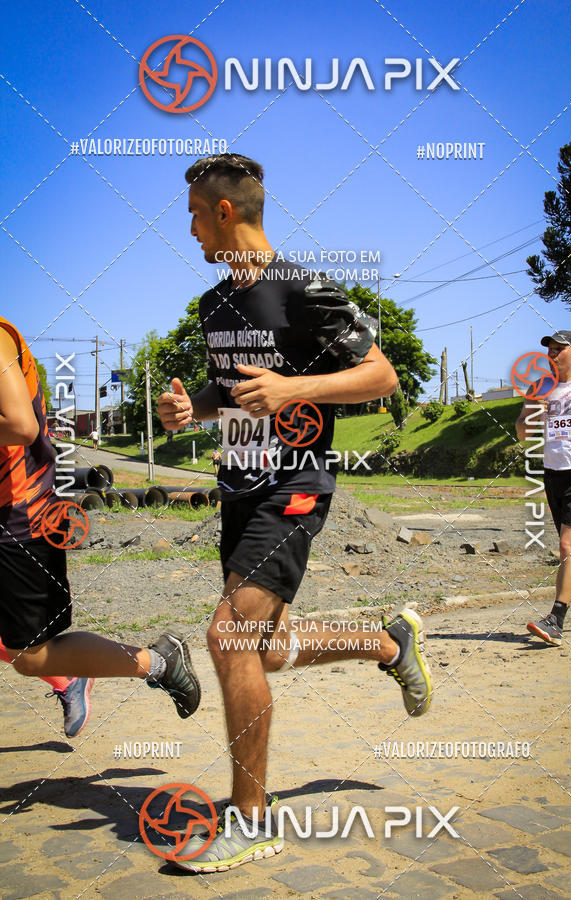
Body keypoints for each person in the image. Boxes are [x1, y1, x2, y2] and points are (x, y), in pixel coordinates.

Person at [157, 153, 432, 874]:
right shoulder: (215, 304)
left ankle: (252, 819)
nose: (187, 228)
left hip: (298, 483)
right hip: (240, 489)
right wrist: (194, 409)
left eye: (192, 212)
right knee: (268, 648)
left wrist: (291, 390)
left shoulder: (304, 288)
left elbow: (381, 375)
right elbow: (230, 392)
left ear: (224, 211)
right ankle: (388, 645)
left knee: (230, 636)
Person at [0, 317, 201, 739]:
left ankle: (157, 662)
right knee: (26, 653)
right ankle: (75, 675)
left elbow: (22, 425)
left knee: (31, 656)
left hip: (18, 519)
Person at [516, 330, 571, 646]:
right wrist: (535, 408)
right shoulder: (539, 388)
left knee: (568, 545)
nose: (552, 352)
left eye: (559, 348)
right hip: (554, 474)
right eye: (549, 348)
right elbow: (522, 431)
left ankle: (556, 620)